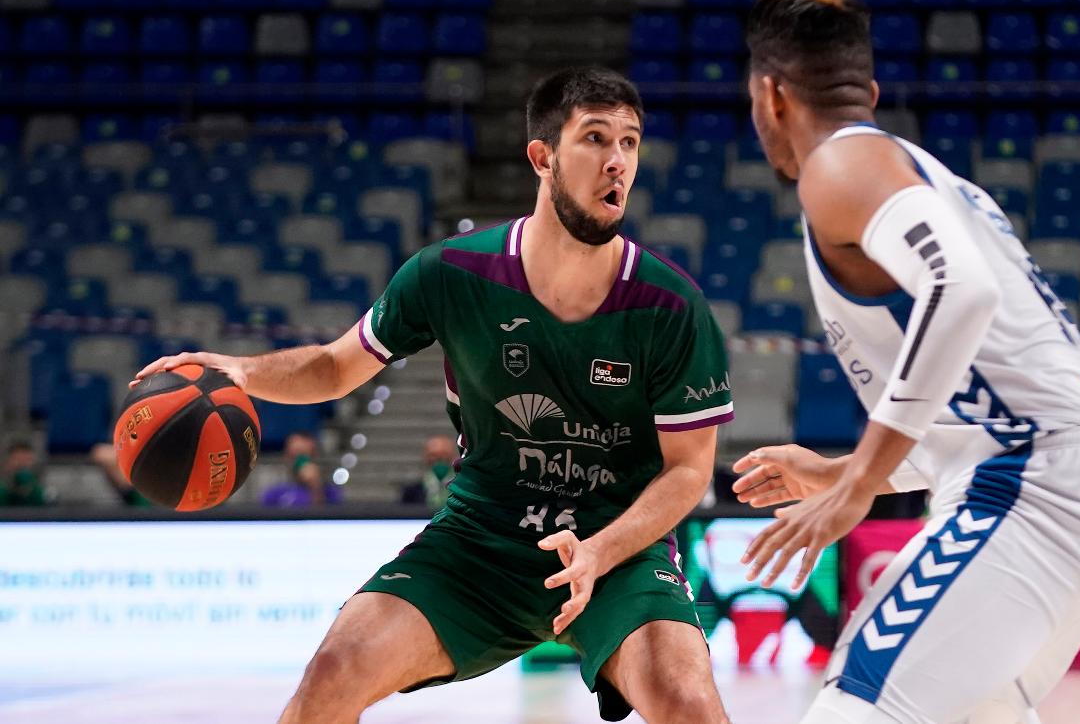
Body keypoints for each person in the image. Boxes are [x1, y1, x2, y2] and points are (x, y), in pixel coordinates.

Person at [132, 67, 735, 724]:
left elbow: (689, 471)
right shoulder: (450, 274)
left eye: (630, 143)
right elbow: (336, 369)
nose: (617, 161)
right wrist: (245, 374)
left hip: (617, 551)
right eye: (595, 138)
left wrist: (599, 551)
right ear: (543, 156)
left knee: (689, 704)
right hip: (482, 540)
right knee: (331, 676)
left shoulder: (672, 305)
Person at [730, 0, 1080, 724]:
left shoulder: (841, 166)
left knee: (854, 709)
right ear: (867, 88)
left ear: (769, 96)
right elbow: (978, 402)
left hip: (1035, 494)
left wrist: (859, 482)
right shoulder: (914, 176)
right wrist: (838, 470)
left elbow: (961, 292)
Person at [261, 431, 342, 507]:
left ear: (314, 457)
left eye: (302, 455)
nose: (296, 461)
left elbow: (326, 517)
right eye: (292, 455)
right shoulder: (275, 493)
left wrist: (315, 487)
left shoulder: (329, 492)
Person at [399, 434, 457, 507]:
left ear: (453, 457)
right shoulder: (411, 492)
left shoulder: (464, 490)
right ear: (425, 457)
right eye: (433, 455)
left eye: (445, 454)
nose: (439, 459)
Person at [1, 441, 47, 507]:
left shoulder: (41, 494)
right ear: (7, 464)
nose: (22, 465)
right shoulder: (2, 493)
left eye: (27, 460)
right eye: (17, 459)